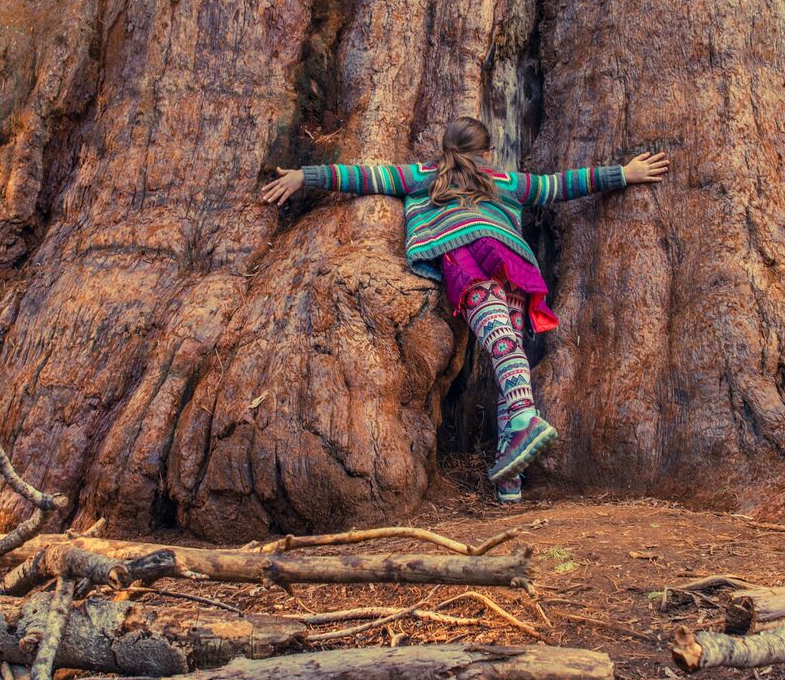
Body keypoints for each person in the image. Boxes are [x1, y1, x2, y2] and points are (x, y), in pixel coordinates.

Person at [261, 118, 669, 501]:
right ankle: (510, 478)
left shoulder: (425, 177)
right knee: (511, 351)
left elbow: (363, 176)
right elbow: (559, 185)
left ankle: (526, 420)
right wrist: (623, 173)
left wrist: (305, 176)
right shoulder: (506, 181)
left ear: (445, 149)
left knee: (500, 345)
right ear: (488, 153)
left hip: (466, 261)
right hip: (510, 259)